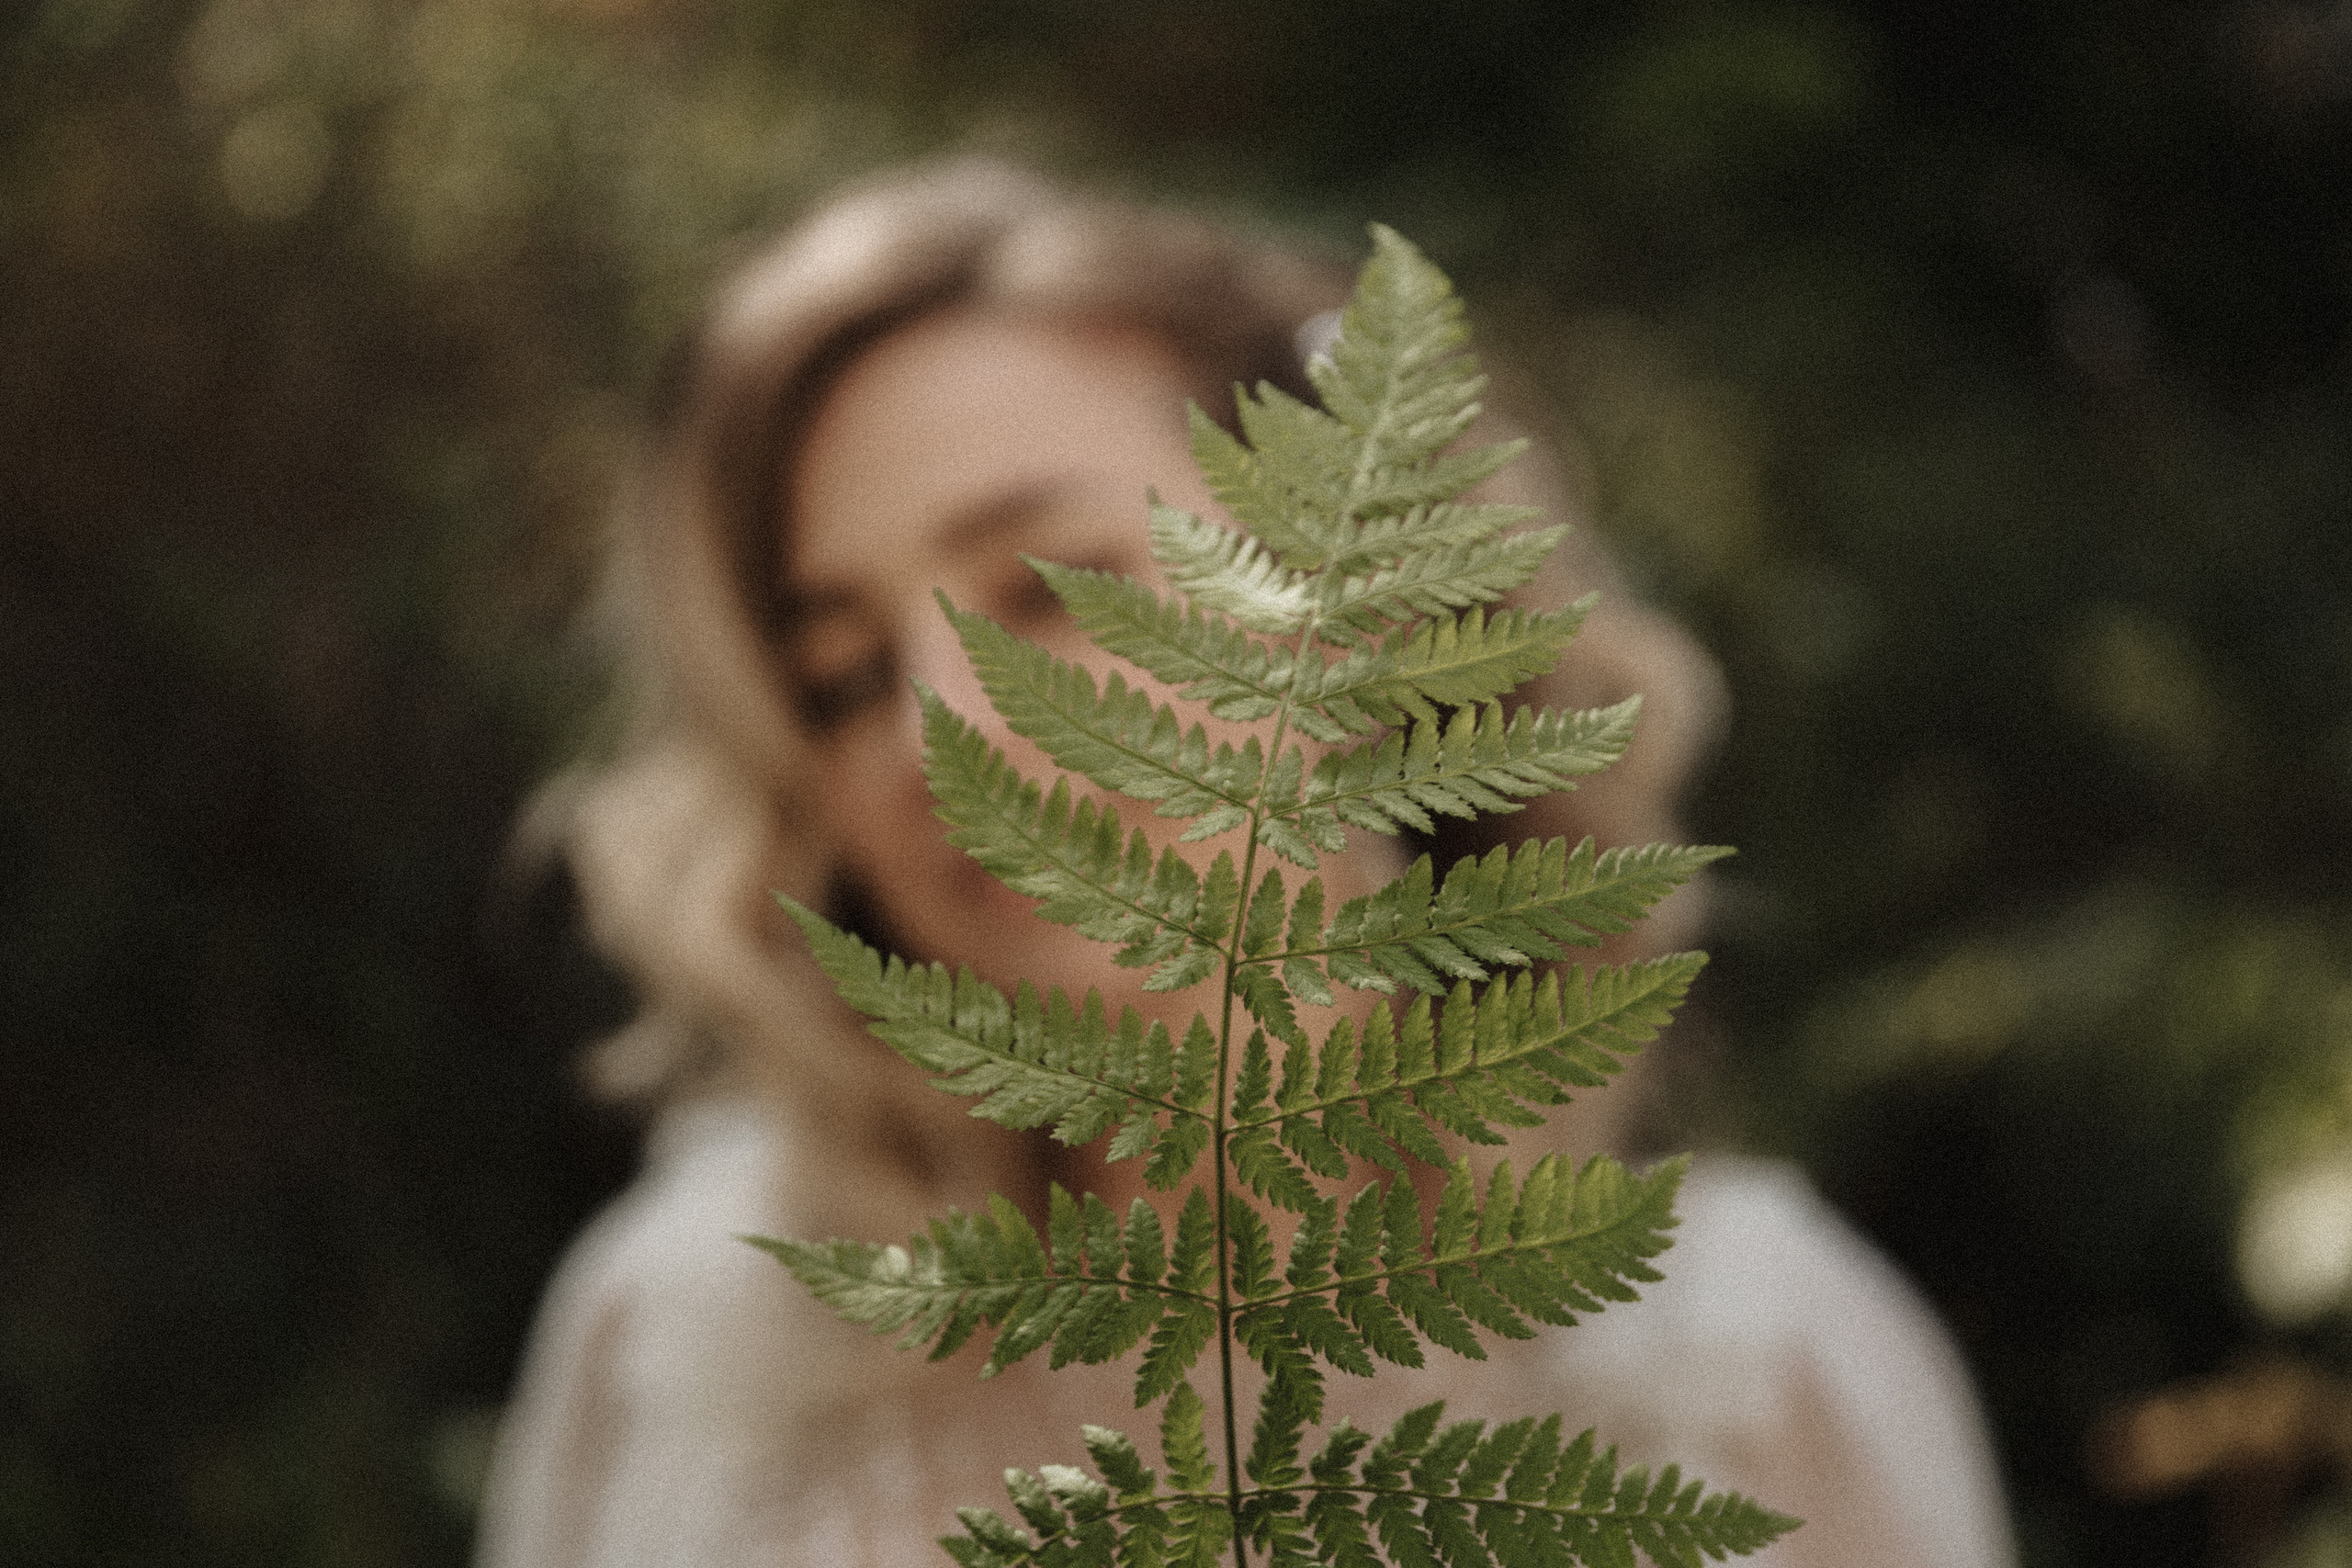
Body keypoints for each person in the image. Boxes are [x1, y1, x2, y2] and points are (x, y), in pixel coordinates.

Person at [474, 160, 2017, 1568]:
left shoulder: (1748, 1369)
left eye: (1056, 587)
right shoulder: (688, 1342)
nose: (948, 732)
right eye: (843, 676)